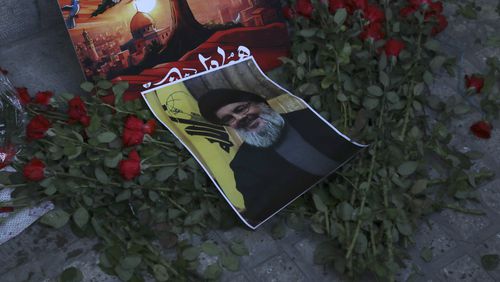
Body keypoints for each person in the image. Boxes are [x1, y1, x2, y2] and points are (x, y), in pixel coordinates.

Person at [198, 89, 362, 225]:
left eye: (240, 109)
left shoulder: (308, 117)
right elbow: (258, 211)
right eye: (229, 119)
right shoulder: (243, 164)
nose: (240, 119)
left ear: (259, 102)